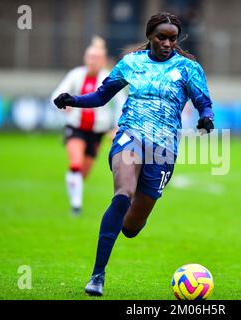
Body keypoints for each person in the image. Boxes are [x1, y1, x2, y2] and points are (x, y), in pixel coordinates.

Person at [53, 12, 214, 296]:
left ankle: (128, 220)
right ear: (150, 36)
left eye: (172, 39)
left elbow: (203, 102)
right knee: (122, 194)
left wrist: (206, 118)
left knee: (131, 226)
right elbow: (102, 95)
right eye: (161, 37)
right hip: (130, 135)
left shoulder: (189, 69)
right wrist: (74, 100)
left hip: (164, 148)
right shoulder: (131, 63)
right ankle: (97, 276)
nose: (167, 43)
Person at [51, 36, 126, 215]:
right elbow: (56, 95)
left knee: (82, 174)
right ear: (86, 58)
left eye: (97, 58)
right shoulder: (75, 75)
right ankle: (76, 207)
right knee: (75, 164)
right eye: (90, 57)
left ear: (103, 60)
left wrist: (117, 127)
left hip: (97, 132)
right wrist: (64, 107)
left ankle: (73, 185)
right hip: (75, 128)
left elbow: (121, 103)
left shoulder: (108, 78)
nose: (93, 61)